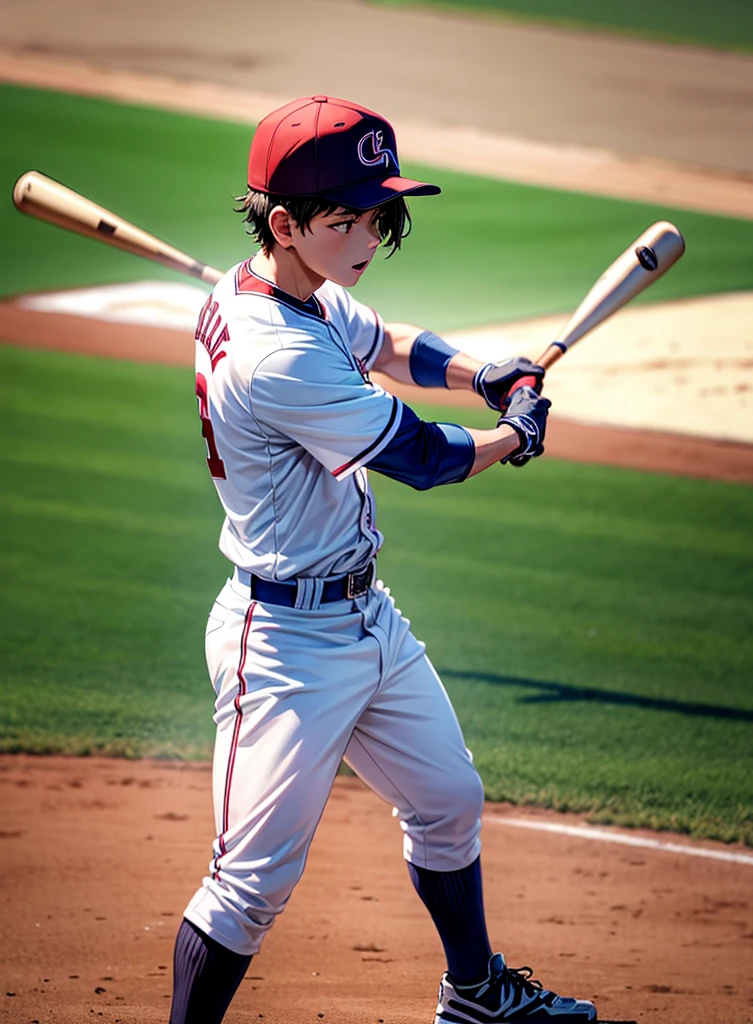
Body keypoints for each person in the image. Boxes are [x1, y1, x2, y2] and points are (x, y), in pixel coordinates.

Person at [171, 94, 596, 1023]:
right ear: (285, 224)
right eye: (347, 218)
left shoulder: (299, 294)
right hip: (283, 643)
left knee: (448, 799)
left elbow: (391, 344)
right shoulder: (276, 352)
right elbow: (421, 457)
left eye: (378, 215)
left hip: (366, 615)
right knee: (250, 885)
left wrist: (486, 371)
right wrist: (512, 433)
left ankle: (476, 993)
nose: (368, 235)